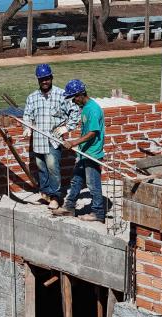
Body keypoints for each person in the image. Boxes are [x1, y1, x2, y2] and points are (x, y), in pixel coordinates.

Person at [22, 64, 80, 210]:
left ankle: (55, 197)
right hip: (38, 140)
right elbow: (27, 115)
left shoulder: (62, 95)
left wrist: (67, 127)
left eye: (47, 78)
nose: (45, 81)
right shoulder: (32, 98)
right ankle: (45, 194)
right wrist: (27, 127)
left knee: (53, 168)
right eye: (42, 79)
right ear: (38, 80)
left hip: (53, 140)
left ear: (51, 77)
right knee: (41, 168)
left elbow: (75, 111)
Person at [53, 79, 107, 223]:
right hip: (84, 152)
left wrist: (73, 143)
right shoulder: (85, 108)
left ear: (81, 94)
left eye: (74, 98)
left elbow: (92, 133)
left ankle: (98, 213)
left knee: (93, 184)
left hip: (92, 153)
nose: (73, 101)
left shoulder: (93, 109)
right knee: (76, 180)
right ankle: (69, 207)